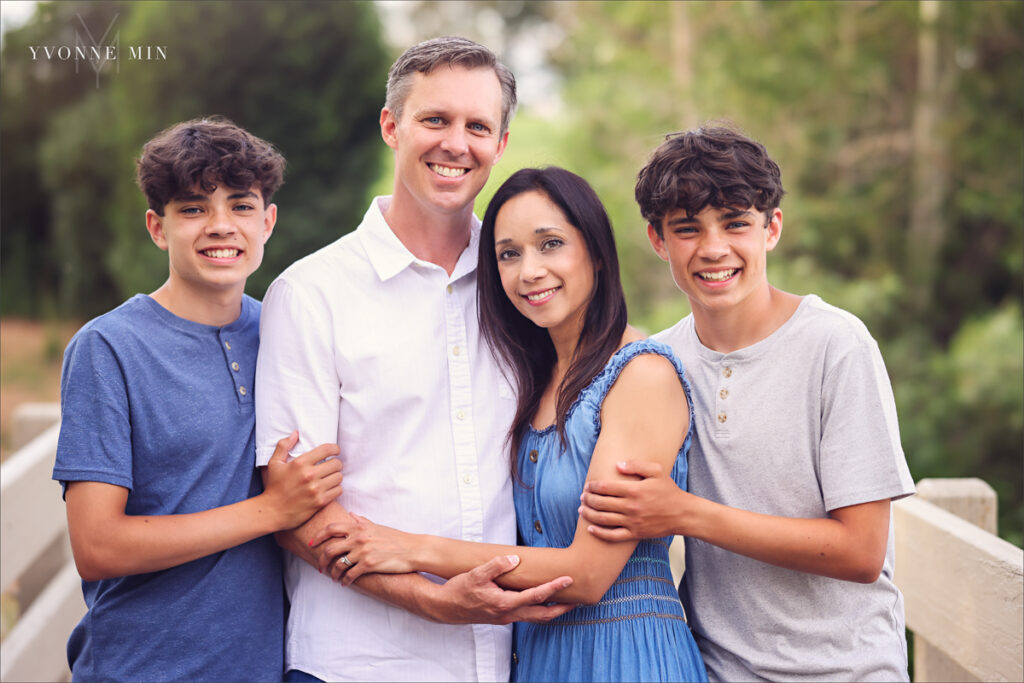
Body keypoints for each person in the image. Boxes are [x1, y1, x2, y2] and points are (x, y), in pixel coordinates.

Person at [308, 166, 709, 683]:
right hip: (537, 657)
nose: (529, 271)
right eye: (509, 254)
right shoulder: (532, 380)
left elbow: (587, 574)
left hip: (625, 654)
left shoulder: (641, 373)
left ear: (597, 253)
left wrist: (408, 548)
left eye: (551, 244)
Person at [254, 37, 573, 683]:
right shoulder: (312, 294)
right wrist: (431, 600)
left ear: (501, 145)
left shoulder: (526, 288)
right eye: (435, 119)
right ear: (391, 126)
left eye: (478, 126)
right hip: (356, 661)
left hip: (514, 660)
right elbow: (293, 512)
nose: (456, 143)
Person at [579, 125, 916, 682]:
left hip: (847, 673)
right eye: (687, 229)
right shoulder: (657, 364)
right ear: (658, 241)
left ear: (771, 229)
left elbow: (860, 551)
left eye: (736, 223)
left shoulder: (837, 345)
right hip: (713, 671)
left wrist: (685, 513)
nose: (713, 249)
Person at [51, 117, 344, 682]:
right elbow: (97, 545)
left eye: (240, 206)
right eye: (192, 209)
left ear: (268, 221)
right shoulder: (107, 348)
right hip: (140, 668)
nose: (221, 227)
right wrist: (269, 511)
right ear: (157, 228)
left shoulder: (285, 331)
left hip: (262, 669)